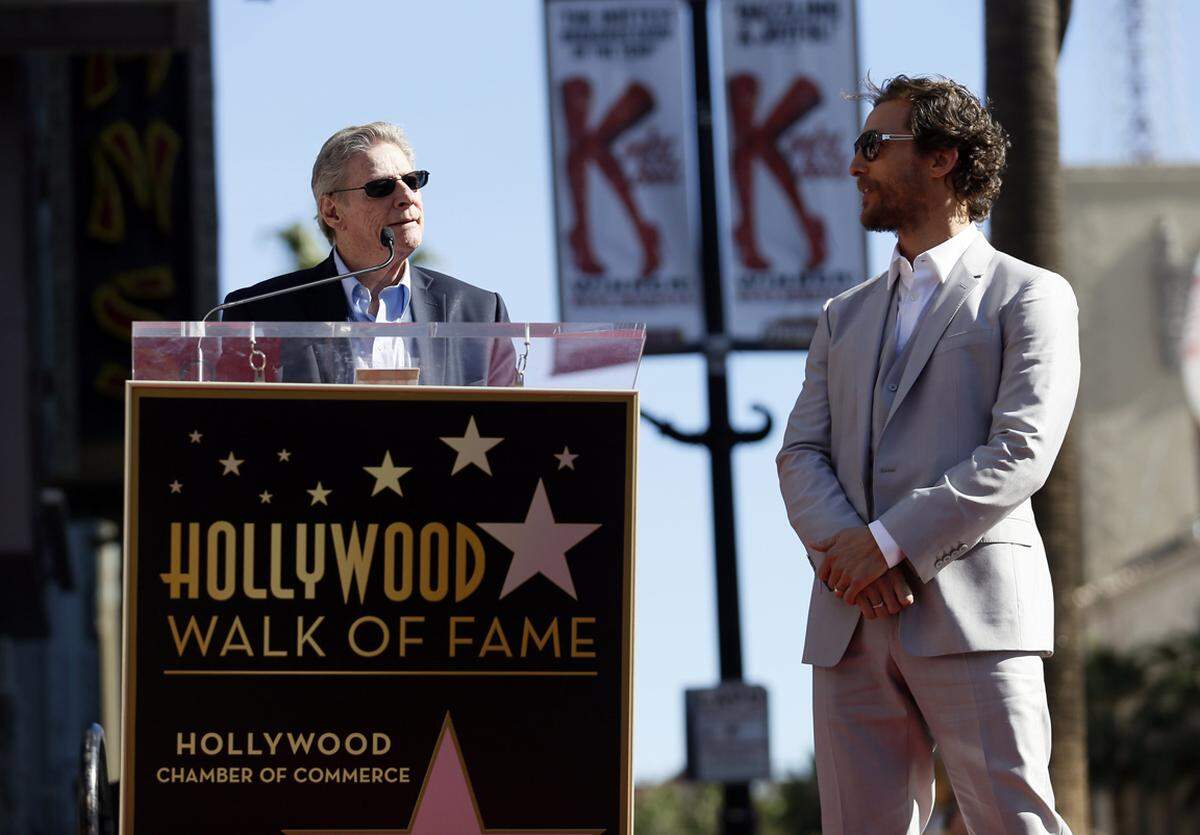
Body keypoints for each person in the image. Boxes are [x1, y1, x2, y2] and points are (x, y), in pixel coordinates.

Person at [776, 75, 1079, 834]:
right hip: (848, 619)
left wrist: (885, 545)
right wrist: (848, 555)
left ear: (944, 158)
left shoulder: (1029, 295)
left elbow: (1021, 451)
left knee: (1016, 822)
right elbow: (800, 452)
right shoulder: (841, 316)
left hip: (975, 610)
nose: (856, 166)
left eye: (874, 146)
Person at [222, 121, 514, 386]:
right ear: (332, 211)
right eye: (381, 187)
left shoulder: (481, 313)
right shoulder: (258, 315)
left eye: (412, 181)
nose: (406, 197)